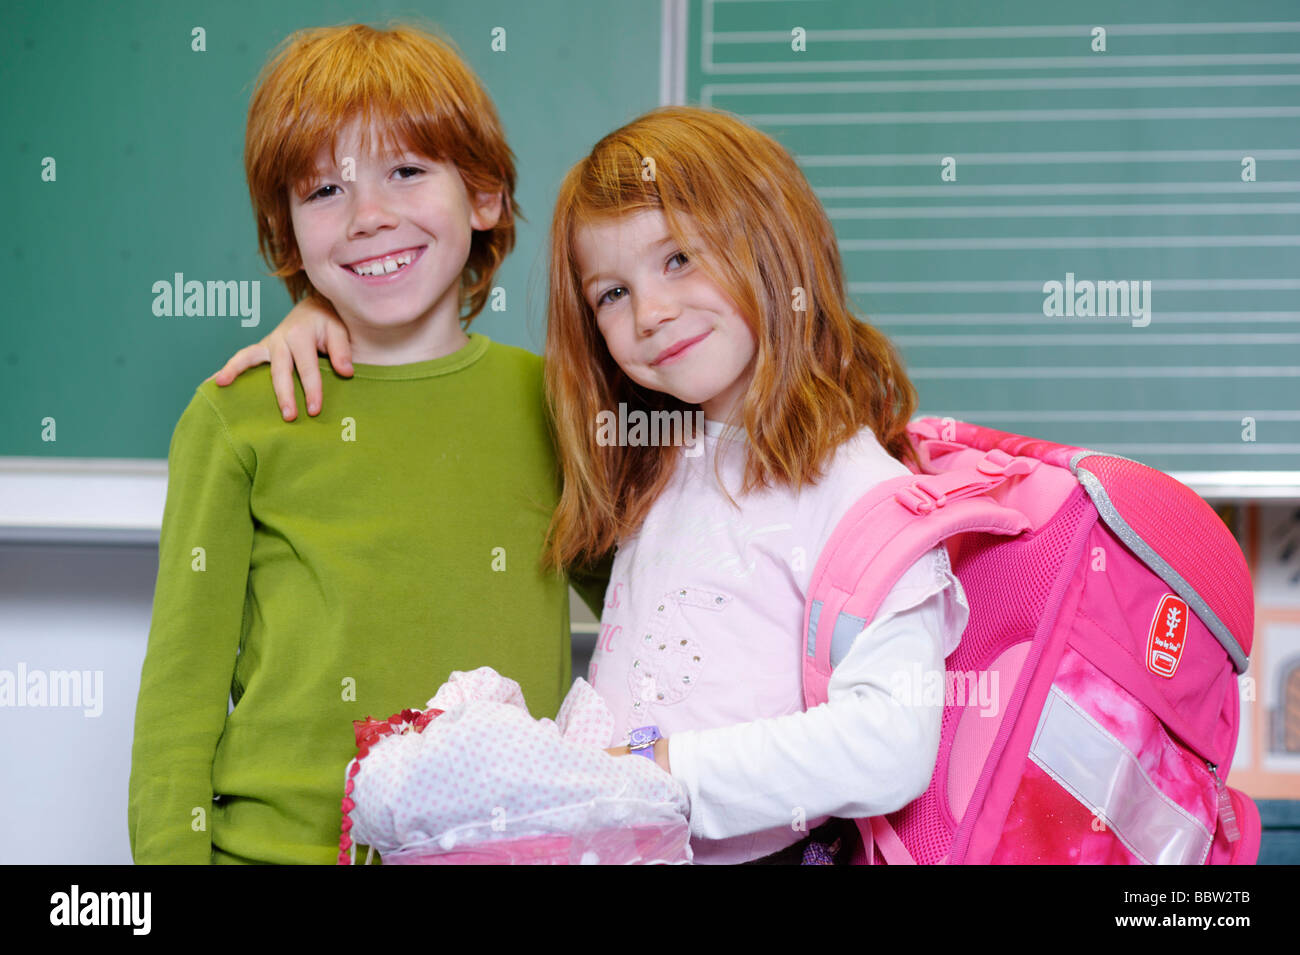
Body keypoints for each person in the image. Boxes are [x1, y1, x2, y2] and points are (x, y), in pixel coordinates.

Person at [216, 105, 970, 866]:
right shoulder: (656, 460)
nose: (651, 312)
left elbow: (888, 743)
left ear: (774, 242)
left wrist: (650, 768)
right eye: (610, 292)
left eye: (679, 258)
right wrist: (322, 306)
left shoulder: (865, 496)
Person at [129, 22, 607, 865]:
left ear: (485, 195)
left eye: (408, 171)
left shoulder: (558, 404)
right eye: (324, 192)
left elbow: (663, 605)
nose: (369, 217)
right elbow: (179, 700)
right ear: (286, 235)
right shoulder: (239, 414)